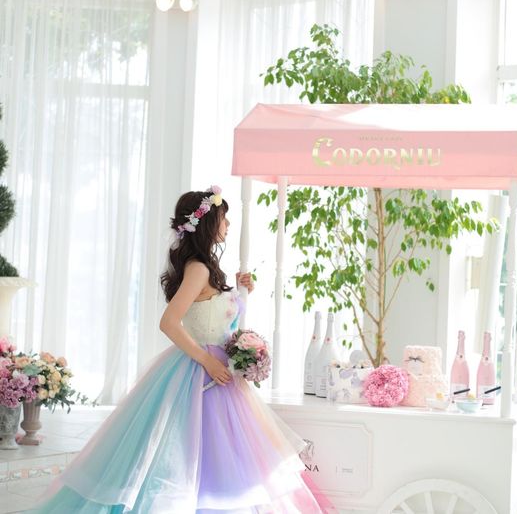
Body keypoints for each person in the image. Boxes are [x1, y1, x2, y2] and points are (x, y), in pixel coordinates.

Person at [27, 186, 333, 513]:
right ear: (207, 223)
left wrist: (241, 291)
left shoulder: (205, 267)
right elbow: (169, 322)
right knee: (201, 453)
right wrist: (206, 360)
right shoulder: (198, 268)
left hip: (219, 371)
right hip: (203, 370)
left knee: (218, 453)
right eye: (223, 218)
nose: (228, 225)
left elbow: (216, 318)